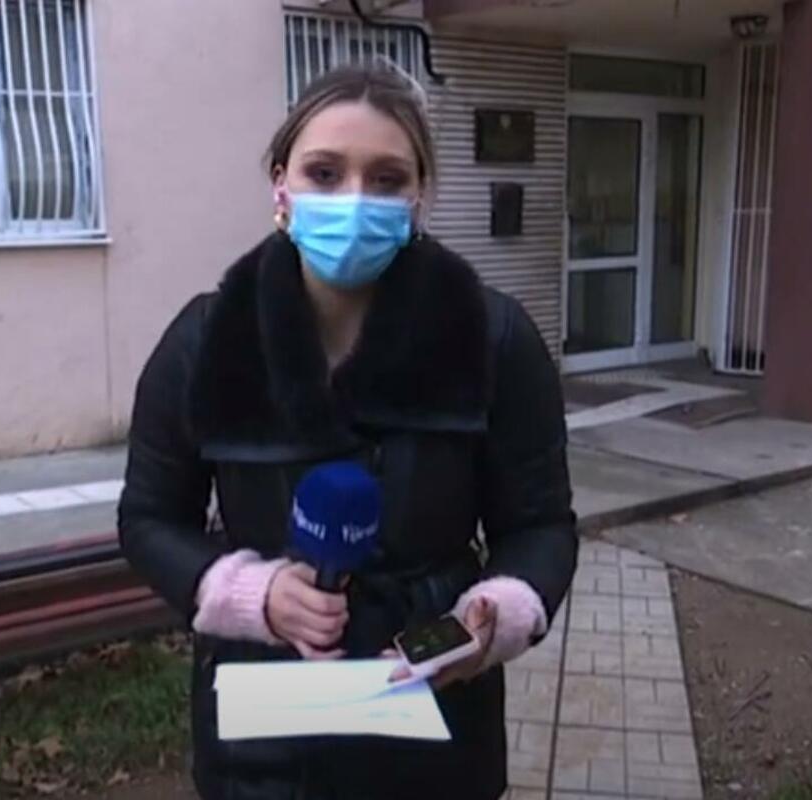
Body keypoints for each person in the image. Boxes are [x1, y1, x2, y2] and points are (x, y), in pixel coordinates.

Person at [118, 65, 577, 800]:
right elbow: (149, 518)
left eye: (386, 178)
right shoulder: (207, 340)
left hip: (433, 728)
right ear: (281, 184)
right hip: (264, 740)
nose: (353, 199)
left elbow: (540, 526)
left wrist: (491, 617)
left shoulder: (492, 339)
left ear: (419, 197)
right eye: (324, 173)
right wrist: (254, 595)